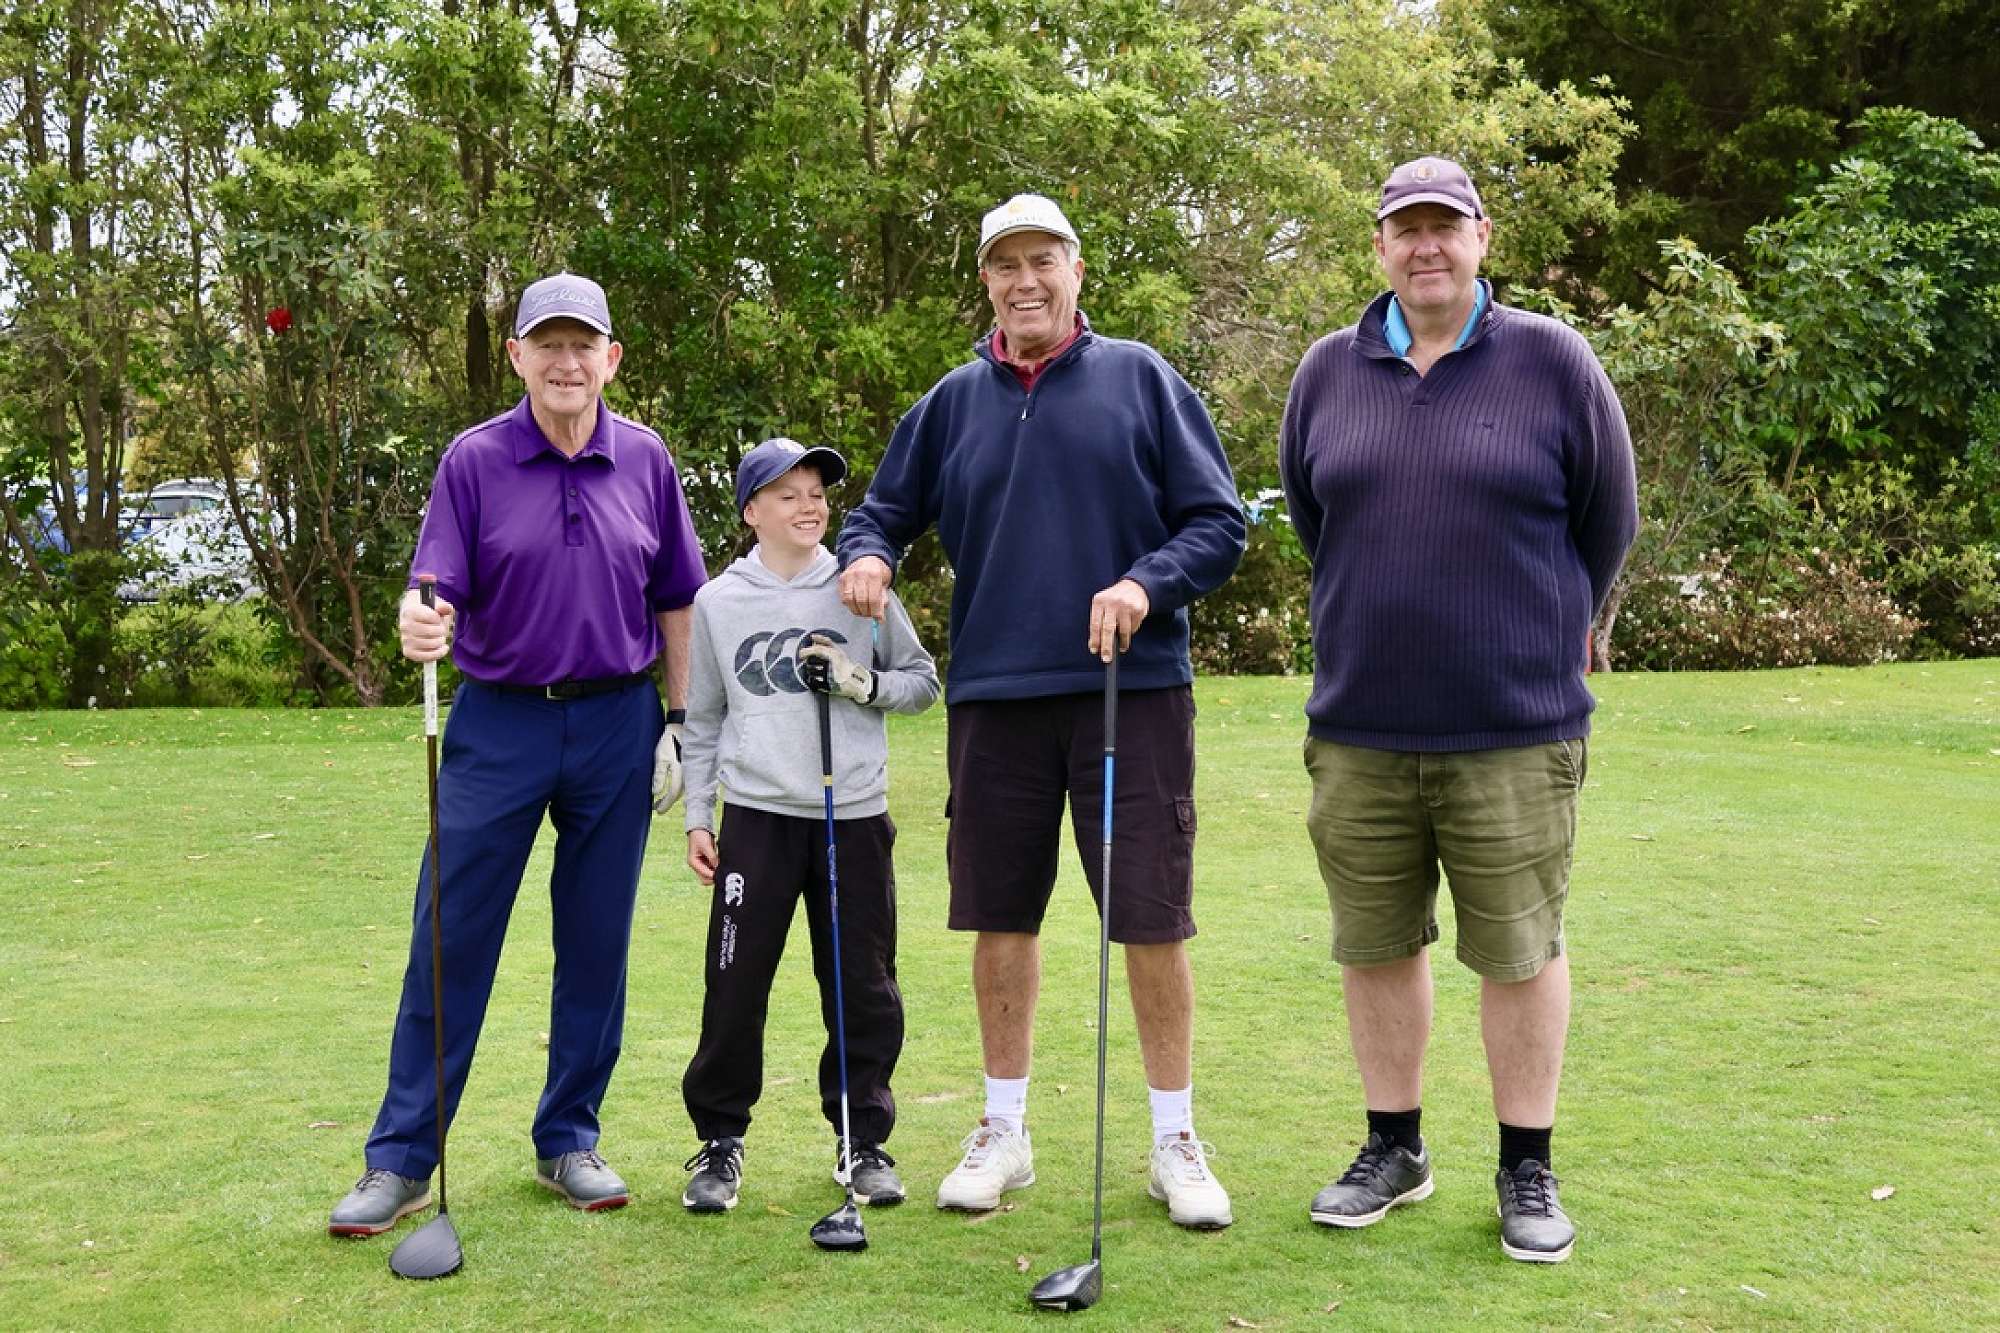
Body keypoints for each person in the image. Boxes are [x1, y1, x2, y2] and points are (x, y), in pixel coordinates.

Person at [837, 193, 1246, 1230]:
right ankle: (1003, 1130)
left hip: (1130, 693)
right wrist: (871, 555)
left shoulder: (1140, 379)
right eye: (1005, 264)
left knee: (1149, 917)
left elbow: (1218, 523)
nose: (1025, 281)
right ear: (986, 280)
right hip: (996, 698)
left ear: (1076, 271)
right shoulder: (950, 401)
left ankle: (1174, 1139)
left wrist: (1145, 582)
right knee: (1000, 917)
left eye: (1042, 260)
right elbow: (880, 511)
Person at [1278, 157, 1638, 1263]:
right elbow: (1316, 521)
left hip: (1514, 727)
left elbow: (1608, 522)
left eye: (1445, 226)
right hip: (1360, 726)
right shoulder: (1326, 370)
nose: (1424, 245)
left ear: (1482, 237)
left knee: (1518, 951)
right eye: (1405, 228)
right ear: (1380, 246)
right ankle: (1393, 1147)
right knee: (1376, 943)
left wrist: (1542, 625)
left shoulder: (1553, 359)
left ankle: (1526, 1165)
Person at [328, 273, 706, 1236]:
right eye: (548, 345)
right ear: (518, 358)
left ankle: (568, 1137)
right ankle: (401, 1157)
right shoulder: (475, 459)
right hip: (499, 725)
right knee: (449, 936)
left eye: (584, 345)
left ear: (611, 359)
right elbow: (432, 586)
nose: (566, 362)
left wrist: (681, 720)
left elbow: (677, 599)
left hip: (617, 724)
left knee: (597, 939)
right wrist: (419, 618)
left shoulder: (646, 459)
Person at [675, 438, 939, 1214]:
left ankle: (862, 1139)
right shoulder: (719, 601)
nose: (809, 505)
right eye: (787, 494)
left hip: (849, 817)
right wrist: (698, 815)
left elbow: (922, 682)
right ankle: (720, 1139)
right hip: (755, 819)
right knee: (734, 985)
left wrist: (861, 683)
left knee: (862, 985)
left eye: (817, 493)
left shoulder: (860, 586)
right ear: (751, 512)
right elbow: (705, 717)